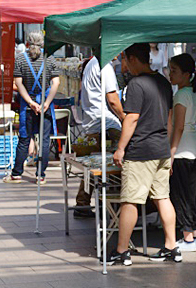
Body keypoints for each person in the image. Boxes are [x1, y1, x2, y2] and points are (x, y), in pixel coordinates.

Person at [110, 43, 181, 265]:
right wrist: (169, 150)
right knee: (162, 197)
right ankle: (172, 246)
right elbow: (168, 120)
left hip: (141, 150)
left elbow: (131, 118)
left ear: (132, 59)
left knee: (130, 200)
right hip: (161, 149)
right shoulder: (163, 82)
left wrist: (120, 148)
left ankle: (122, 251)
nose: (124, 66)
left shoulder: (136, 84)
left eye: (124, 60)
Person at [4, 32, 60, 184]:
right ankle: (40, 175)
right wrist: (46, 103)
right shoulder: (50, 58)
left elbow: (19, 83)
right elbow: (56, 83)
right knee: (44, 140)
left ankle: (16, 174)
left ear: (27, 43)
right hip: (45, 104)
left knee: (24, 139)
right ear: (43, 44)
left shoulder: (21, 59)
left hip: (27, 106)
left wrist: (30, 102)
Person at [74, 54, 124, 218]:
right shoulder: (105, 66)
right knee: (114, 162)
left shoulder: (92, 63)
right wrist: (125, 118)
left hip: (93, 121)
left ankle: (83, 203)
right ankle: (114, 204)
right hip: (105, 122)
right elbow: (113, 99)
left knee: (94, 164)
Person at [169, 53, 196, 252]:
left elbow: (178, 127)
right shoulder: (191, 91)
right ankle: (194, 235)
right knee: (190, 195)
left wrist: (171, 153)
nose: (170, 75)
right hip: (193, 148)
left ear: (186, 74)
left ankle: (188, 238)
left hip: (182, 150)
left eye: (174, 71)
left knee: (181, 196)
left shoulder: (181, 95)